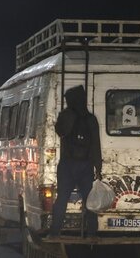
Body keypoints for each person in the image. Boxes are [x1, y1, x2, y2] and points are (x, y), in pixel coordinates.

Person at [49, 85, 102, 237]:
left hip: (67, 165)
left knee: (62, 199)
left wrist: (65, 115)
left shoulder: (67, 115)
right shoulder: (91, 119)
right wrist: (98, 168)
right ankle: (92, 233)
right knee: (89, 200)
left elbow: (60, 131)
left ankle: (54, 231)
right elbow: (95, 145)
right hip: (86, 165)